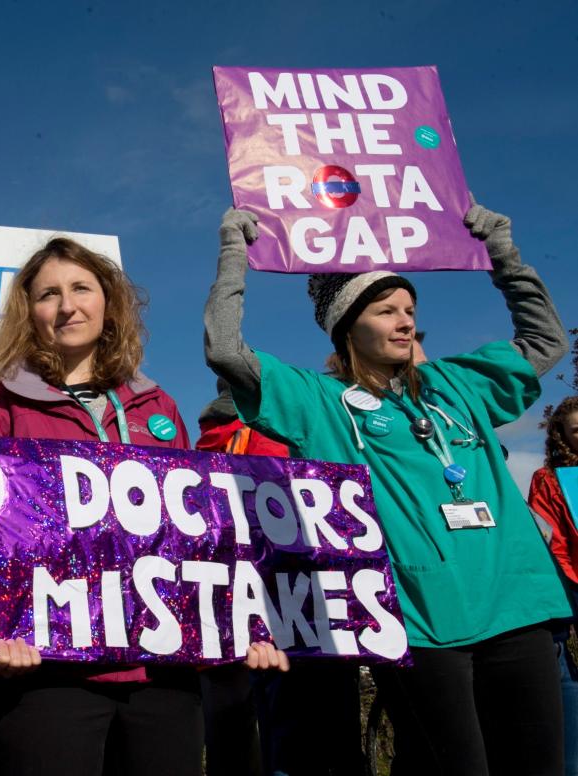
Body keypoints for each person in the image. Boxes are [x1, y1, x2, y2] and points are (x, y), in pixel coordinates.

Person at [205, 202, 571, 775]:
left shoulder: (455, 383)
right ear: (348, 325)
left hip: (518, 605)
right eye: (385, 310)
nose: (405, 321)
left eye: (409, 308)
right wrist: (234, 257)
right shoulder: (318, 404)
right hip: (423, 626)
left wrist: (503, 253)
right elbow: (227, 352)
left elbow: (546, 342)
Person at [0, 236, 286, 776]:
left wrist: (246, 622)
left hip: (161, 675)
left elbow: (198, 534)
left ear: (107, 303)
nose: (67, 306)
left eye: (80, 288)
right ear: (30, 313)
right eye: (48, 294)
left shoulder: (158, 405)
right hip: (48, 674)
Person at [530, 396, 578, 776]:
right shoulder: (548, 479)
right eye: (576, 430)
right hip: (571, 580)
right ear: (562, 436)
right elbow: (550, 536)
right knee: (565, 673)